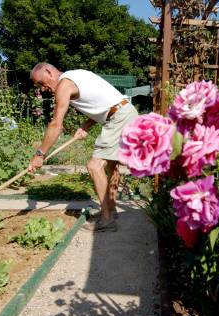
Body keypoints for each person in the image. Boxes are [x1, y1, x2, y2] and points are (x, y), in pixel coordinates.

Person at [27, 63, 138, 232]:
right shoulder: (77, 75)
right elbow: (104, 102)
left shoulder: (64, 85)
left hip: (118, 119)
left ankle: (107, 220)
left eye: (42, 83)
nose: (43, 89)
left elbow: (56, 124)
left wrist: (40, 154)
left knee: (94, 166)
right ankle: (111, 210)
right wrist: (86, 125)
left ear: (49, 71)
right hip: (124, 112)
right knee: (111, 165)